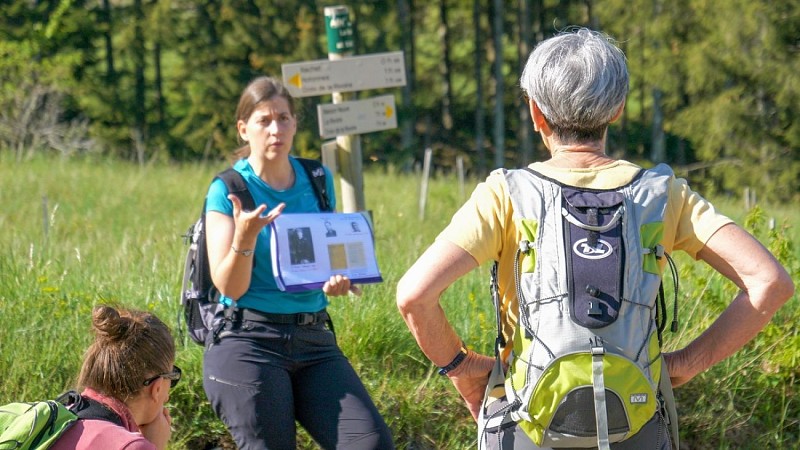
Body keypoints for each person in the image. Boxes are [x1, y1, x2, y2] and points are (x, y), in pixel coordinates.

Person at [395, 27, 794, 449]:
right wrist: (685, 364)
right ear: (618, 108)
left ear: (536, 114)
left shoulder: (506, 193)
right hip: (637, 418)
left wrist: (462, 366)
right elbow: (769, 283)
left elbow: (414, 296)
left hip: (525, 421)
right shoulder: (663, 193)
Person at [202, 75, 393, 450]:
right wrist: (244, 238)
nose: (276, 129)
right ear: (244, 129)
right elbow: (229, 288)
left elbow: (325, 255)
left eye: (284, 118)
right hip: (247, 340)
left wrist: (339, 278)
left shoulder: (317, 178)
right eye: (264, 120)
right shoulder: (228, 191)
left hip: (313, 339)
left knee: (371, 444)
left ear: (295, 123)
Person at [52, 305, 177, 450]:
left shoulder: (58, 418)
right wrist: (153, 445)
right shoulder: (130, 447)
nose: (167, 398)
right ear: (157, 388)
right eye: (173, 377)